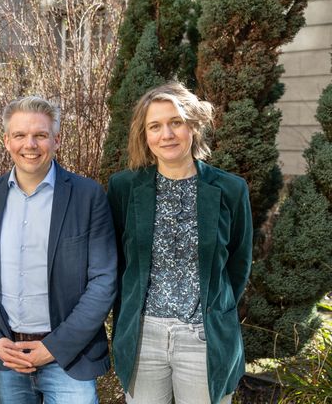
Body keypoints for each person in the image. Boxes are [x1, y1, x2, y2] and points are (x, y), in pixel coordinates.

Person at [0, 96, 117, 404]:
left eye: (40, 135)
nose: (29, 144)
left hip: (69, 359)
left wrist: (55, 347)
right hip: (10, 358)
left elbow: (104, 280)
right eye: (19, 135)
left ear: (56, 140)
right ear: (7, 141)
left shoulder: (88, 197)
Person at [107, 82, 253, 404]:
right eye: (155, 126)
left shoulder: (230, 189)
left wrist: (215, 307)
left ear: (193, 125)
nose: (167, 134)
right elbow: (118, 262)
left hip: (203, 337)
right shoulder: (124, 188)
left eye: (176, 122)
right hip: (144, 337)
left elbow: (238, 264)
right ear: (145, 135)